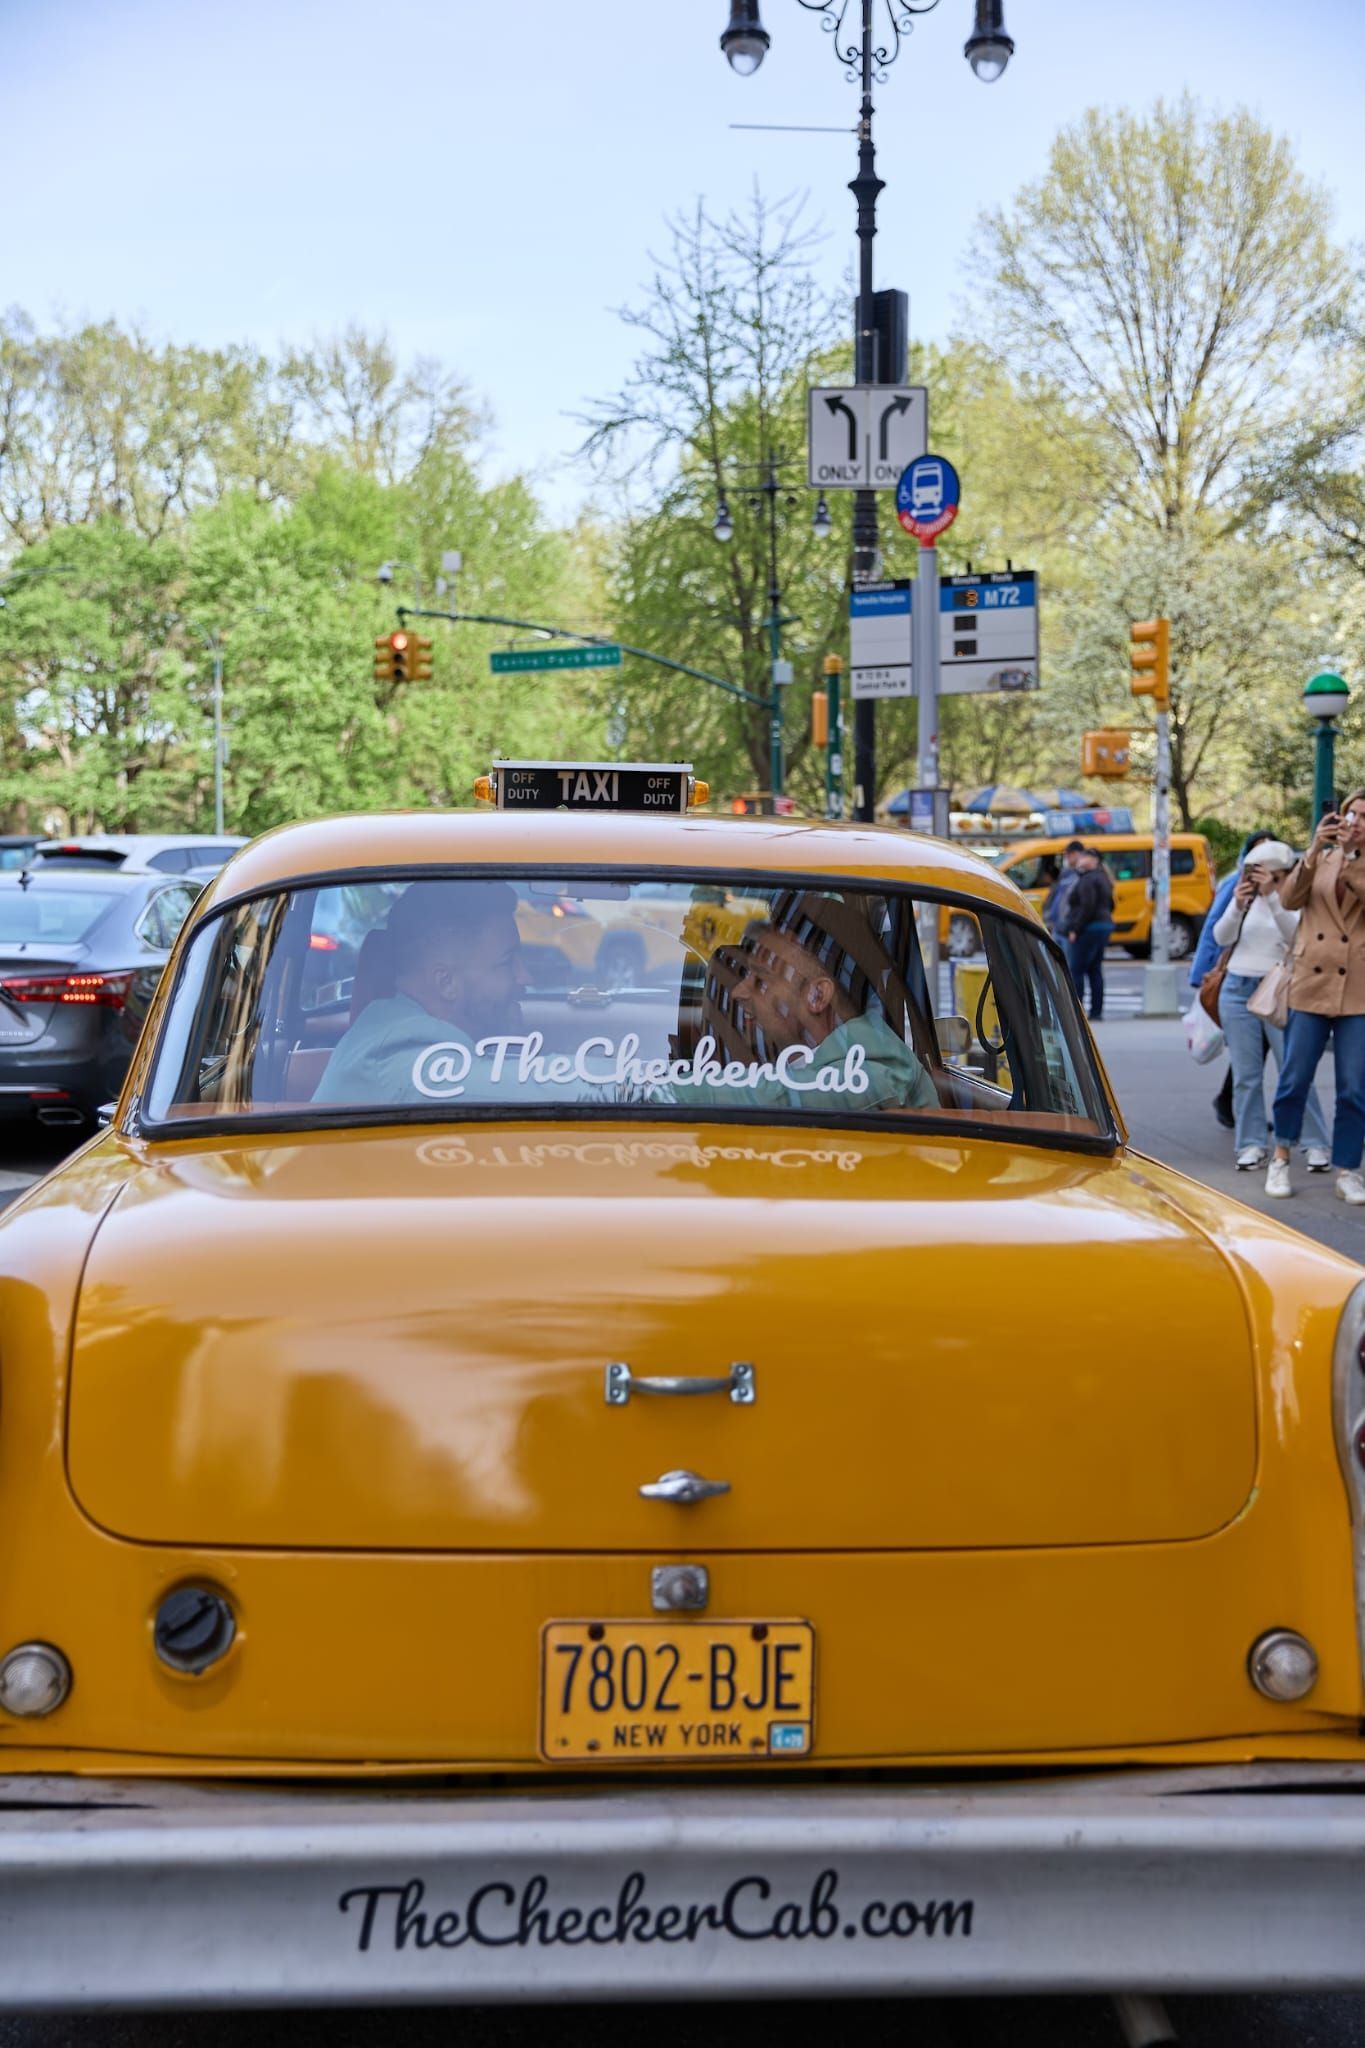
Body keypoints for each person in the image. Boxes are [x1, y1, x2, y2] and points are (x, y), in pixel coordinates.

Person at [315, 880, 531, 1105]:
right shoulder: (404, 1049)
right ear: (446, 983)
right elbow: (547, 1093)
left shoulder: (393, 1026)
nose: (526, 976)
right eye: (507, 962)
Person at [726, 919, 940, 1112]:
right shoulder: (845, 1059)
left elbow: (771, 1099)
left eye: (761, 979)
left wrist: (694, 1085)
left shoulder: (869, 1076)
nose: (738, 992)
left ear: (817, 996)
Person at [1266, 792, 1365, 1204]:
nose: (1356, 821)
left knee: (1354, 1087)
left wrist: (1351, 859)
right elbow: (1289, 899)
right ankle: (1281, 1157)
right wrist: (1313, 849)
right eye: (1350, 813)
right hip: (1311, 982)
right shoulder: (1320, 857)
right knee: (1294, 1078)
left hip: (1358, 988)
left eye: (1364, 817)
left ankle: (1347, 1168)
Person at [1210, 841, 1329, 1172]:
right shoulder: (1244, 900)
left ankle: (1314, 1142)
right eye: (1251, 872)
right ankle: (1250, 1144)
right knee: (1246, 1075)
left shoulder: (1295, 898)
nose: (1256, 878)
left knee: (1293, 1071)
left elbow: (1297, 937)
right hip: (1236, 987)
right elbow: (1221, 938)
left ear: (1280, 873)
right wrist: (1237, 904)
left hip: (1279, 988)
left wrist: (1274, 898)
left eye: (1263, 873)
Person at [1190, 830, 1275, 1131]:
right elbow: (1216, 926)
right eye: (1258, 850)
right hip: (1235, 978)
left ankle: (1230, 1103)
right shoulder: (1236, 883)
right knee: (1250, 1048)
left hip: (1270, 982)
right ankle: (1230, 1103)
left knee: (1256, 1049)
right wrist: (1203, 973)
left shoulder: (1283, 887)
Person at [1064, 847, 1115, 1021]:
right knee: (1094, 969)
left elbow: (1087, 907)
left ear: (1094, 860)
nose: (1081, 858)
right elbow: (1111, 904)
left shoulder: (1087, 879)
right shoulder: (1104, 878)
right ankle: (1096, 1011)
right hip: (1103, 926)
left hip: (1089, 928)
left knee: (1077, 969)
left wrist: (1075, 929)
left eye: (1086, 856)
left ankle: (1077, 1011)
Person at [1042, 840, 1086, 940]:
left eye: (1068, 854)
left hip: (1067, 926)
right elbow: (1055, 895)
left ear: (1077, 854)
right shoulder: (1065, 873)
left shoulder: (1083, 875)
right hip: (1057, 926)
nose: (1066, 857)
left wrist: (1073, 927)